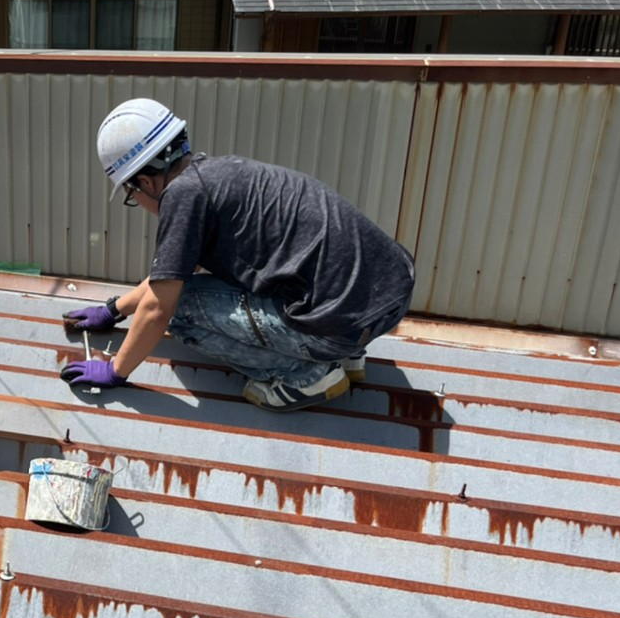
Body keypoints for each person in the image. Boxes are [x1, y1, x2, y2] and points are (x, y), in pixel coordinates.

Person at [59, 98, 416, 412]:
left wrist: (116, 370)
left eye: (130, 194)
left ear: (145, 183)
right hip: (386, 294)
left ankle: (306, 374)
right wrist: (114, 309)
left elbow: (159, 305)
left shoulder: (183, 199)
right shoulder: (222, 173)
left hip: (338, 320)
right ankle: (347, 355)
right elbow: (173, 271)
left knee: (181, 309)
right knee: (204, 288)